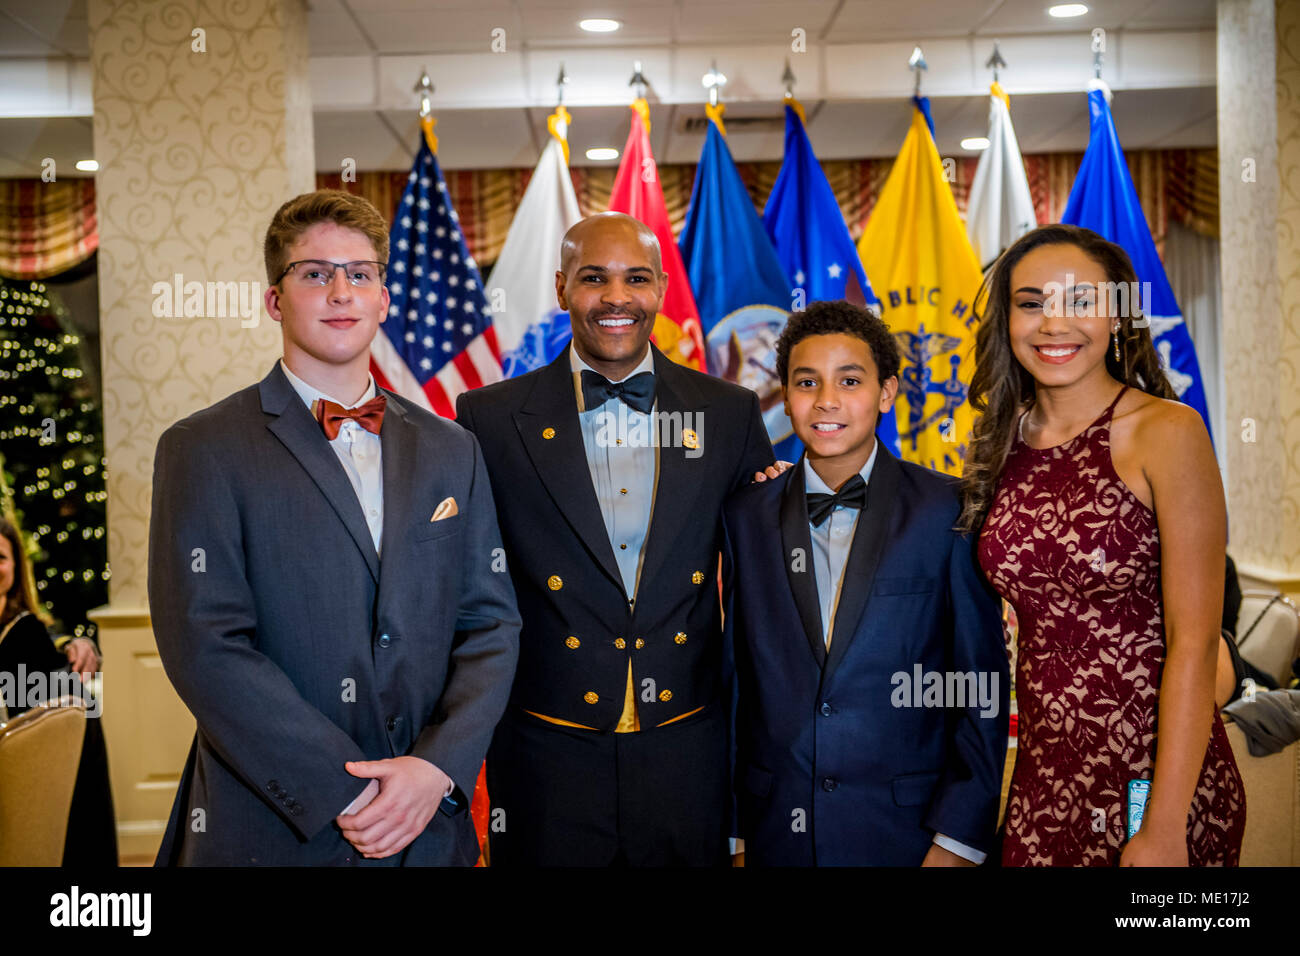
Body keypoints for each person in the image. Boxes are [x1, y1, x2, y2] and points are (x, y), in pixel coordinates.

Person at [147, 189, 520, 866]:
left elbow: (491, 624)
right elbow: (206, 646)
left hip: (427, 821)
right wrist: (343, 792)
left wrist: (436, 770)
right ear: (274, 301)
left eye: (360, 274)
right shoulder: (201, 448)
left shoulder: (452, 448)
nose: (341, 291)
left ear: (383, 298)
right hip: (275, 823)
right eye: (315, 273)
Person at [455, 212, 776, 866]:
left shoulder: (728, 412)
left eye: (635, 278)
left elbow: (762, 588)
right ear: (561, 287)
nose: (617, 297)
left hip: (688, 748)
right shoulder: (487, 419)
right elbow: (463, 591)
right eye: (594, 278)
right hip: (546, 752)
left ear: (660, 286)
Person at [964, 223, 1245, 866]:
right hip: (1044, 777)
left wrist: (1165, 824)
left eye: (1081, 301)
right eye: (1032, 302)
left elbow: (1196, 642)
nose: (1053, 323)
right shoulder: (1002, 443)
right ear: (1007, 319)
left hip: (1156, 779)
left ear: (1117, 314)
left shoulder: (1167, 431)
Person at [721, 301, 1008, 866]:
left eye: (849, 380)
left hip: (910, 835)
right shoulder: (744, 516)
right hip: (778, 832)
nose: (827, 400)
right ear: (784, 394)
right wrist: (733, 833)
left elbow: (981, 689)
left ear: (886, 392)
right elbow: (734, 686)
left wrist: (955, 842)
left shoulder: (949, 511)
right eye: (807, 382)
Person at [0, 517, 118, 865]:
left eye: (1, 557)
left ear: (16, 567)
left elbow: (53, 669)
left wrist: (75, 644)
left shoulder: (25, 630)